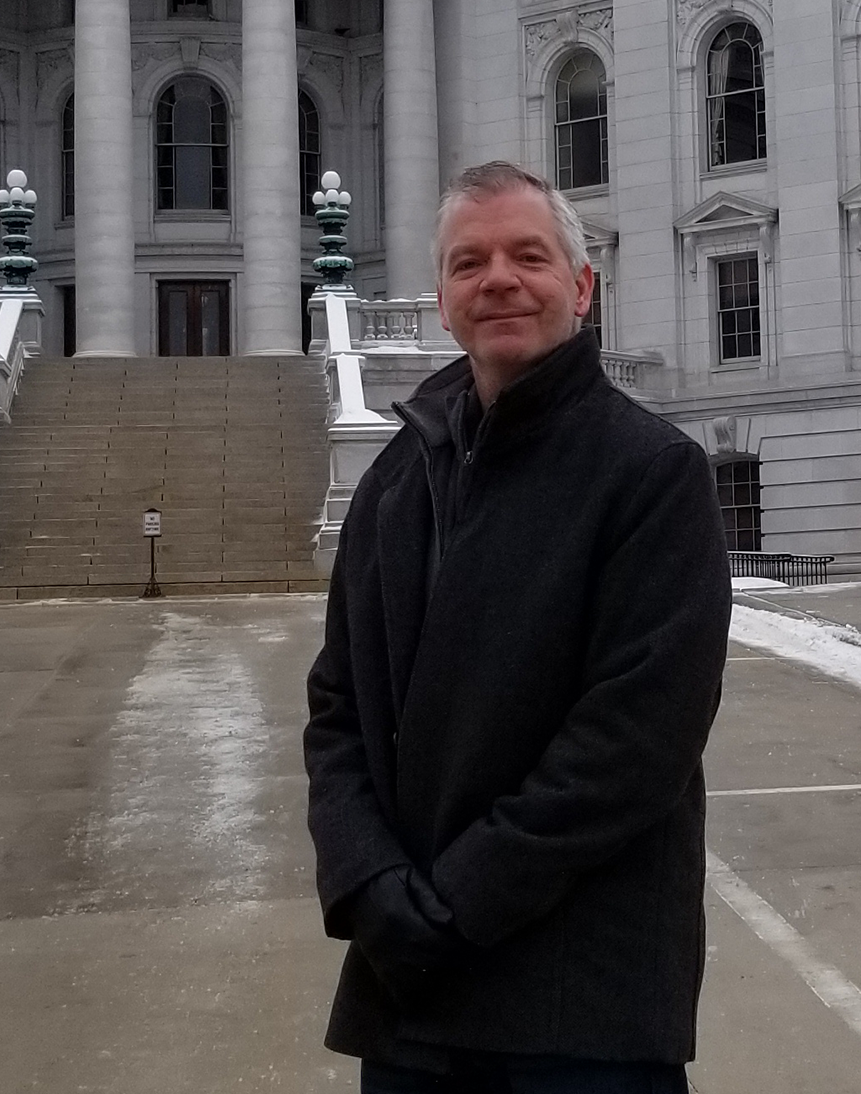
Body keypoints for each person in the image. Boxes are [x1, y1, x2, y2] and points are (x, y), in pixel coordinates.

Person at [303, 161, 732, 1093]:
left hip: (581, 1009)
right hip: (410, 998)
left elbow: (634, 742)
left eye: (527, 256)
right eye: (469, 263)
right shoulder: (394, 481)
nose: (497, 279)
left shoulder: (653, 473)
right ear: (446, 302)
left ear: (581, 287)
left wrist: (450, 909)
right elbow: (337, 708)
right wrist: (367, 885)